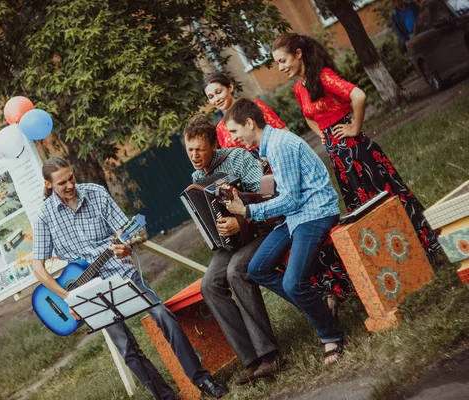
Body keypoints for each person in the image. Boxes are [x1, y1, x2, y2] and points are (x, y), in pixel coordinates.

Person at [32, 157, 228, 399]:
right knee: (126, 347)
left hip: (120, 273)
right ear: (49, 185)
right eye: (62, 183)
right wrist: (68, 296)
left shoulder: (96, 193)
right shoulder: (44, 216)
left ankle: (202, 379)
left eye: (71, 177)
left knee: (162, 315)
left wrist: (125, 246)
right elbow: (37, 268)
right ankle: (165, 397)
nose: (70, 185)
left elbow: (124, 232)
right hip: (85, 292)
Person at [271, 32, 440, 263]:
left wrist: (354, 128)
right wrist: (323, 134)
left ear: (298, 54)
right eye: (277, 63)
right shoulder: (300, 88)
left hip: (357, 152)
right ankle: (399, 259)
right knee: (364, 209)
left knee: (387, 199)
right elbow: (308, 116)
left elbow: (358, 96)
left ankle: (425, 250)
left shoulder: (324, 76)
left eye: (282, 60)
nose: (280, 67)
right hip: (340, 159)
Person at [223, 98, 345, 366]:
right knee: (257, 269)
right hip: (295, 216)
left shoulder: (279, 146)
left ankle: (330, 336)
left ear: (249, 123)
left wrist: (247, 212)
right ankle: (320, 306)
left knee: (292, 283)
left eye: (234, 131)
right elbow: (278, 193)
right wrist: (245, 197)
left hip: (315, 212)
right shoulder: (268, 146)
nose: (232, 139)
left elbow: (291, 200)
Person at [184, 118, 281, 384]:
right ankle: (250, 359)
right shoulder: (197, 177)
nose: (194, 156)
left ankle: (269, 355)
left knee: (237, 271)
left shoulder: (237, 158)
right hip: (229, 244)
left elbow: (269, 190)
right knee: (209, 286)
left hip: (259, 231)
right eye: (190, 150)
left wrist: (243, 220)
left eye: (200, 149)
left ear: (214, 145)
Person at [203, 72, 286, 160]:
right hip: (251, 172)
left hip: (278, 160)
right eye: (211, 97)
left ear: (230, 87)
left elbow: (283, 133)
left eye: (219, 92)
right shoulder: (220, 129)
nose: (217, 99)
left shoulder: (256, 106)